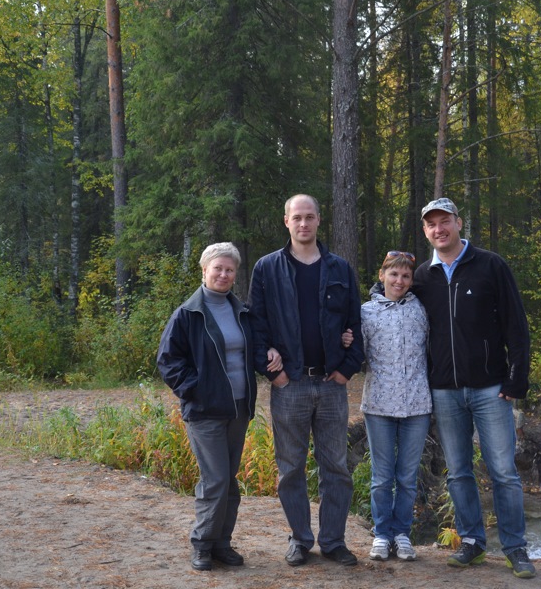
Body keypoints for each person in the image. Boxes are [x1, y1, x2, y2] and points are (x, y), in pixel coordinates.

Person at [411, 197, 536, 579]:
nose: (439, 229)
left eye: (444, 221)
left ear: (458, 223)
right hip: (445, 391)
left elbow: (516, 323)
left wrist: (518, 378)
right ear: (426, 231)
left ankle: (515, 548)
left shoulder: (490, 265)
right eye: (431, 224)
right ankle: (472, 542)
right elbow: (399, 309)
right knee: (458, 472)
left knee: (503, 472)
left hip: (491, 388)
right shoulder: (421, 277)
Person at [248, 194, 365, 568]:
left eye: (309, 217)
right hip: (291, 385)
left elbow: (355, 324)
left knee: (336, 467)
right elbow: (257, 326)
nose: (303, 224)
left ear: (319, 220)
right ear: (286, 221)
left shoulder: (340, 269)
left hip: (331, 385)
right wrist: (274, 374)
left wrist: (346, 369)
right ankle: (300, 539)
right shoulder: (267, 269)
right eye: (296, 218)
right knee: (290, 469)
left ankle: (333, 541)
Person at [157, 242, 281, 572]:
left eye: (229, 270)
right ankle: (202, 543)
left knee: (229, 478)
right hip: (204, 411)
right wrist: (195, 391)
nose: (224, 274)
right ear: (204, 270)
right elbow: (168, 361)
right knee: (215, 479)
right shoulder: (188, 313)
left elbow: (252, 350)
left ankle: (222, 543)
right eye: (218, 269)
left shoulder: (241, 310)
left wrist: (270, 354)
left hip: (239, 407)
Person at [360, 250, 432, 562]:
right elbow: (355, 354)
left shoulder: (421, 310)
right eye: (394, 274)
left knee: (407, 476)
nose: (399, 281)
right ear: (382, 275)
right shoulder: (365, 312)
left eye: (405, 276)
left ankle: (402, 533)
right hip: (378, 403)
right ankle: (381, 534)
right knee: (382, 476)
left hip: (417, 403)